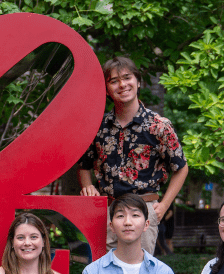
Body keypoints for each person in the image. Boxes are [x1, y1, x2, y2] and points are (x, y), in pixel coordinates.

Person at [78, 56, 189, 254]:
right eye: (113, 81)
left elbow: (180, 168)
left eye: (127, 78)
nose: (122, 85)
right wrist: (87, 186)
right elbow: (84, 164)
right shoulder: (98, 126)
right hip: (108, 212)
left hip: (144, 209)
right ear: (107, 90)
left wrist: (163, 206)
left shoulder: (159, 126)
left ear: (138, 81)